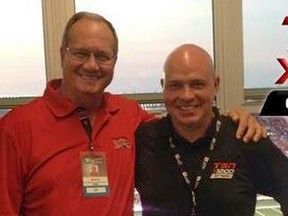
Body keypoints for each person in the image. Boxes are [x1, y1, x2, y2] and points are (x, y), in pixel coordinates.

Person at [0, 12, 266, 216]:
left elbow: (188, 122)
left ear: (114, 61)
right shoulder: (16, 129)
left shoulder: (129, 116)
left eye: (102, 56)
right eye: (81, 53)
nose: (92, 65)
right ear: (62, 55)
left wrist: (234, 118)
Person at [135, 44, 288, 216]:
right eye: (175, 85)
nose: (187, 96)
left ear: (215, 85)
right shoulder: (144, 141)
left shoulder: (245, 137)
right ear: (163, 87)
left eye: (197, 84)